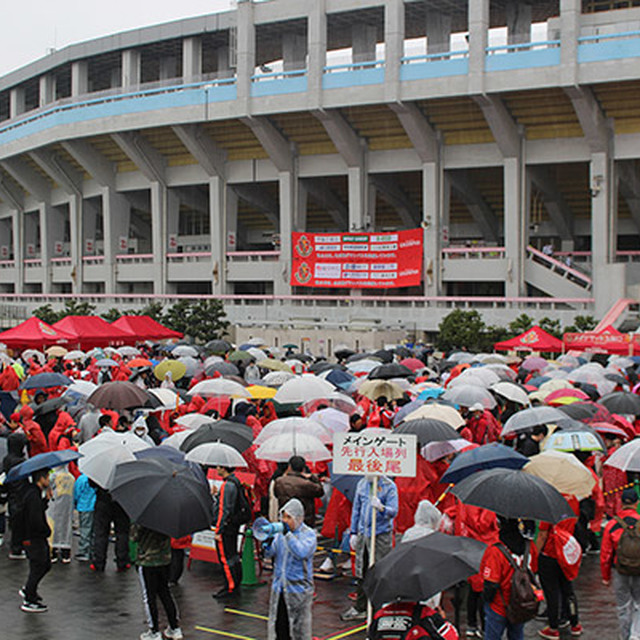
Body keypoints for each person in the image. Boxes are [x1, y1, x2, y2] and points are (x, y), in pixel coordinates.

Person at [341, 475, 399, 622]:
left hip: (381, 535)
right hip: (363, 534)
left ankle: (380, 608)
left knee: (381, 571)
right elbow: (356, 509)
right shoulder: (362, 483)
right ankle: (361, 607)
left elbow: (394, 511)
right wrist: (353, 532)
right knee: (362, 571)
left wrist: (382, 508)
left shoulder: (389, 486)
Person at [263, 498, 317, 640]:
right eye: (283, 516)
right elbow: (270, 554)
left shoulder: (308, 534)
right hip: (280, 588)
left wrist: (288, 535)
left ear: (299, 518)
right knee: (280, 628)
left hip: (298, 591)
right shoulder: (280, 535)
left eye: (289, 517)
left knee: (299, 631)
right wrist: (267, 544)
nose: (285, 521)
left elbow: (301, 552)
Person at [480, 517, 539, 640]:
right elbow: (533, 570)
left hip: (499, 606)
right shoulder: (529, 546)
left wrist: (485, 600)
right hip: (520, 603)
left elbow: (491, 584)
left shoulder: (496, 551)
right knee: (517, 634)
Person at [131, 523, 183, 640]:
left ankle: (154, 630)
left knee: (149, 597)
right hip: (164, 560)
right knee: (165, 593)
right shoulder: (168, 517)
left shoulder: (143, 519)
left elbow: (134, 537)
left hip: (147, 562)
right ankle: (174, 627)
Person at [601, 487, 640, 640]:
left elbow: (605, 554)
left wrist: (605, 576)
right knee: (639, 604)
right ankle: (636, 635)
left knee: (623, 606)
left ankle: (625, 635)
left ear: (621, 503)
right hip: (639, 569)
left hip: (620, 569)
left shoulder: (612, 525)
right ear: (636, 503)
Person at [20, 468, 52, 612]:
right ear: (41, 478)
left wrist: (45, 500)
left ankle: (29, 590)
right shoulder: (32, 495)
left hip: (34, 537)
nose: (49, 480)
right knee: (40, 565)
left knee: (42, 565)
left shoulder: (33, 492)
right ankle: (29, 598)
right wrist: (46, 531)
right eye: (47, 477)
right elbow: (35, 519)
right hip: (33, 538)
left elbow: (37, 511)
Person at [212, 465, 243, 598]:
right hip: (233, 526)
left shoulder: (227, 485)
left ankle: (229, 587)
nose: (217, 469)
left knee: (225, 557)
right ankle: (236, 582)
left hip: (226, 527)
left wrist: (218, 530)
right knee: (233, 555)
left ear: (223, 468)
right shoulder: (235, 481)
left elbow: (223, 510)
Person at [90, 481, 131, 573]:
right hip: (121, 501)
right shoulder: (124, 467)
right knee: (122, 533)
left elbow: (91, 483)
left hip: (103, 500)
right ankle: (122, 561)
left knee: (101, 533)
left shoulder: (100, 467)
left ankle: (99, 562)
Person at [273, 455, 324, 528]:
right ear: (303, 468)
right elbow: (320, 492)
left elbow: (276, 495)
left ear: (289, 466)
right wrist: (313, 477)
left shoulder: (279, 481)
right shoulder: (307, 484)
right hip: (304, 521)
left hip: (285, 518)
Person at [47, 465, 75, 564]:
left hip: (54, 505)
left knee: (53, 527)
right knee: (66, 527)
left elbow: (47, 487)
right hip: (67, 506)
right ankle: (66, 553)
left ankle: (53, 552)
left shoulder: (53, 476)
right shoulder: (71, 477)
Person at [73, 472, 96, 561]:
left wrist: (76, 503)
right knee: (93, 530)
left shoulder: (81, 479)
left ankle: (84, 552)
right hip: (94, 506)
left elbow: (76, 493)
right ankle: (92, 551)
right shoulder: (96, 478)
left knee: (85, 529)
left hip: (84, 506)